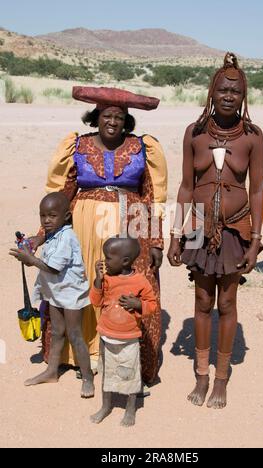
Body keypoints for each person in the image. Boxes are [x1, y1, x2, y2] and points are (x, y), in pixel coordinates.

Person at [30, 87, 167, 386]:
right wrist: (42, 235)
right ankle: (75, 357)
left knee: (126, 286)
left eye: (119, 117)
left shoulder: (143, 147)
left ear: (126, 121)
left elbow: (152, 195)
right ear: (97, 117)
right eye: (107, 116)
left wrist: (156, 240)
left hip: (131, 227)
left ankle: (121, 359)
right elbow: (62, 193)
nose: (113, 122)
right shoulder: (76, 146)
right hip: (81, 228)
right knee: (78, 286)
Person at [168, 53, 263, 409]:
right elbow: (185, 187)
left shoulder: (252, 137)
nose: (228, 96)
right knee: (201, 300)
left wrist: (255, 241)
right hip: (195, 225)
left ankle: (221, 379)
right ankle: (201, 374)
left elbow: (256, 190)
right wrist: (175, 234)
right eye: (222, 90)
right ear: (212, 91)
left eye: (235, 92)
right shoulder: (194, 133)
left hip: (235, 229)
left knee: (226, 302)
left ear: (244, 96)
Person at [9, 192, 94, 398]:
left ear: (66, 216)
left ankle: (88, 377)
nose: (46, 220)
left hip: (71, 293)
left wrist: (31, 259)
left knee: (74, 335)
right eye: (43, 216)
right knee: (57, 332)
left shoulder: (67, 236)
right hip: (56, 292)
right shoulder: (53, 235)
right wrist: (29, 249)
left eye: (52, 216)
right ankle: (51, 372)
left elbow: (55, 269)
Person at [89, 237, 157, 426]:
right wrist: (97, 280)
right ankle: (105, 406)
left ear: (125, 261)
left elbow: (152, 306)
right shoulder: (107, 278)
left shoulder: (140, 281)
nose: (104, 261)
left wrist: (138, 304)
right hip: (106, 336)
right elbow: (95, 301)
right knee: (107, 373)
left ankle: (130, 409)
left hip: (128, 339)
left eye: (108, 258)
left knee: (130, 374)